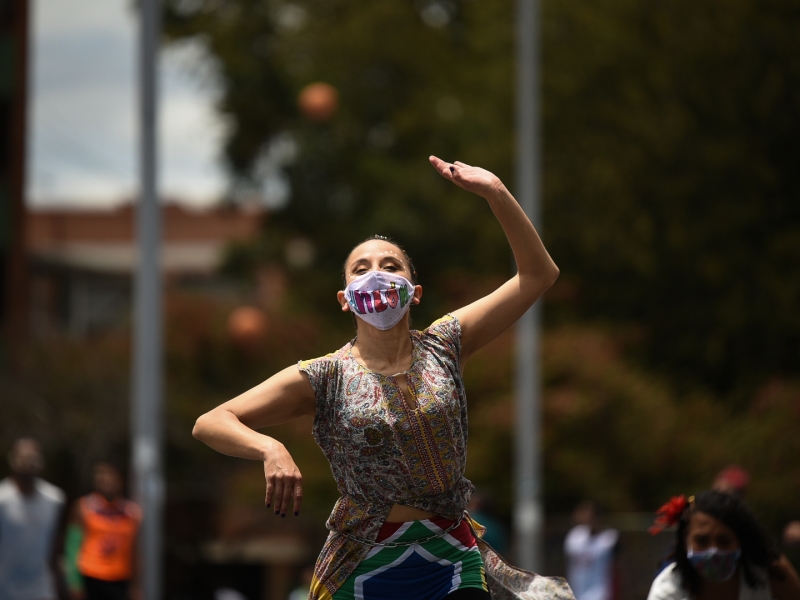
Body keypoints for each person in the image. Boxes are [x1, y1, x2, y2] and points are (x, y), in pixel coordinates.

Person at [192, 156, 574, 600]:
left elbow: (538, 275)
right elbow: (210, 422)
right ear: (344, 299)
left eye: (392, 266)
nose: (377, 274)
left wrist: (495, 191)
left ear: (415, 291)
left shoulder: (446, 343)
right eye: (362, 268)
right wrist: (269, 448)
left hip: (450, 556)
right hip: (364, 562)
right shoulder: (326, 376)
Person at [647, 490, 800, 600]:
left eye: (724, 541)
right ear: (686, 542)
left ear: (741, 540)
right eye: (702, 541)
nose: (713, 551)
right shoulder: (668, 591)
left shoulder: (771, 573)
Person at [0, 437, 66, 600]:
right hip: (6, 590)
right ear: (13, 460)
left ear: (41, 461)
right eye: (22, 457)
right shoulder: (2, 499)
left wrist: (62, 583)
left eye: (32, 458)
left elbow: (56, 547)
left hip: (42, 590)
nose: (27, 462)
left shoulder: (54, 499)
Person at [65, 462, 141, 600]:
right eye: (101, 474)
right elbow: (72, 547)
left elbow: (135, 551)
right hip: (91, 576)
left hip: (120, 579)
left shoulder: (131, 512)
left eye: (111, 475)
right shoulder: (84, 507)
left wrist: (136, 586)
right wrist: (74, 583)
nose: (106, 479)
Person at [564, 502, 620, 600]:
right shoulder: (574, 536)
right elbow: (569, 564)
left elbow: (619, 568)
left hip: (599, 592)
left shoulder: (610, 539)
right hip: (576, 591)